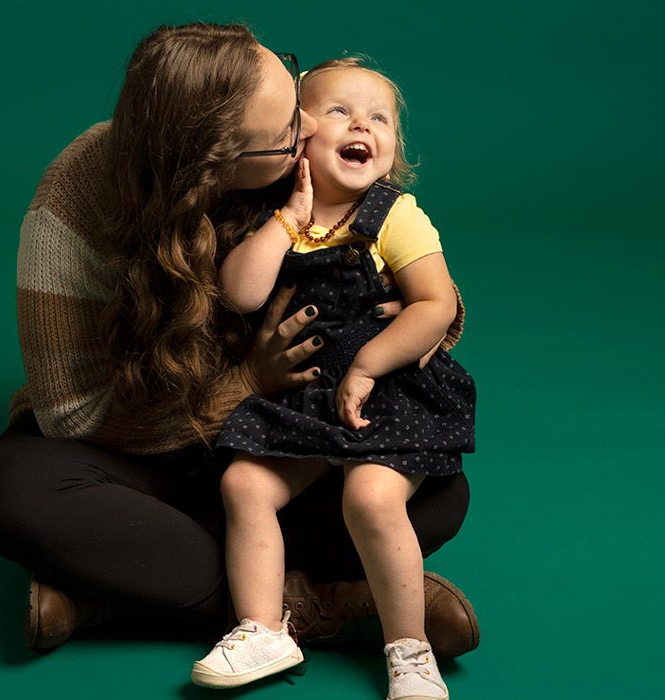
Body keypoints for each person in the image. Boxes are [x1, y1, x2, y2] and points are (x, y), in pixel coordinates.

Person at [0, 23, 478, 662]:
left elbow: (411, 265)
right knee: (13, 490)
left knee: (434, 491)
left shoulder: (291, 153)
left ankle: (114, 593)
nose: (311, 129)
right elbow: (71, 414)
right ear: (218, 162)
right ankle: (323, 604)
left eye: (295, 95)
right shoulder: (75, 203)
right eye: (290, 130)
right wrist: (245, 385)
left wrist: (417, 308)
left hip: (290, 432)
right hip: (145, 447)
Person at [188, 59, 474, 699]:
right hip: (308, 396)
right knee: (243, 482)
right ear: (298, 137)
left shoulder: (396, 215)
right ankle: (263, 629)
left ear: (393, 147)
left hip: (386, 395)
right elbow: (239, 293)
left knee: (370, 499)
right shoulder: (283, 217)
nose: (361, 126)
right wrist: (288, 219)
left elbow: (436, 303)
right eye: (340, 112)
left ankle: (408, 649)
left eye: (379, 118)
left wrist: (370, 364)